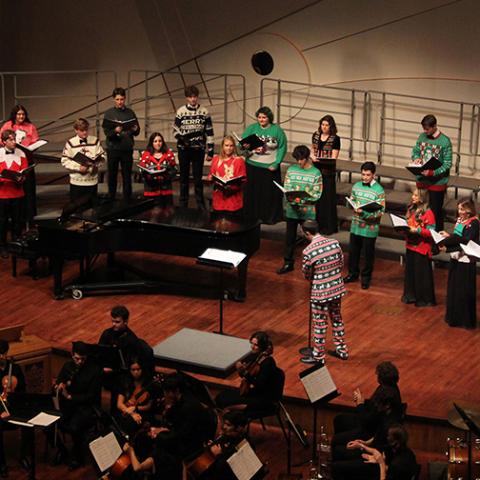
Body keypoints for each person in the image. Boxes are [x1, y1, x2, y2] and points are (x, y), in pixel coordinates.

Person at [300, 220, 348, 365]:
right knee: (337, 318)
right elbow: (341, 263)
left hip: (320, 293)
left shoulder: (308, 251)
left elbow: (306, 273)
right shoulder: (334, 243)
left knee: (320, 323)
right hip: (336, 288)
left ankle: (318, 356)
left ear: (307, 233)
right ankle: (342, 350)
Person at [53, 341, 102, 470]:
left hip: (85, 407)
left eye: (83, 359)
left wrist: (70, 397)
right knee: (49, 425)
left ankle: (78, 456)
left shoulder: (95, 371)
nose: (79, 362)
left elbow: (91, 396)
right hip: (67, 406)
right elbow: (59, 380)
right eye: (77, 358)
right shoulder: (67, 366)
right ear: (72, 355)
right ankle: (62, 450)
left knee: (74, 427)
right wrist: (59, 386)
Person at [277, 145, 322, 274]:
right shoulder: (291, 170)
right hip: (292, 210)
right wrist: (291, 198)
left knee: (311, 239)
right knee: (289, 238)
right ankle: (288, 263)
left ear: (307, 158)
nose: (299, 162)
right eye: (297, 159)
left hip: (307, 212)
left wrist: (301, 200)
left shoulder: (315, 173)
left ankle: (312, 265)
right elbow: (287, 187)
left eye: (301, 159)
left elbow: (317, 194)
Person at [215, 331, 283, 417]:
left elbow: (260, 384)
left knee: (225, 401)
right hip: (255, 393)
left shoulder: (268, 362)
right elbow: (250, 375)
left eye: (256, 345)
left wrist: (245, 373)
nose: (252, 347)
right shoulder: (256, 356)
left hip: (264, 398)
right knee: (221, 396)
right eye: (252, 344)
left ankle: (232, 424)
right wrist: (241, 372)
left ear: (262, 346)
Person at [241, 106, 287, 224]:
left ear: (269, 118)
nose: (261, 119)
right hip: (252, 166)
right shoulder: (251, 128)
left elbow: (282, 147)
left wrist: (277, 163)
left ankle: (269, 217)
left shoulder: (277, 130)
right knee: (252, 193)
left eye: (264, 117)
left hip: (269, 168)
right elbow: (241, 145)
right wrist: (244, 147)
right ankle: (251, 216)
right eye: (259, 117)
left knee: (268, 195)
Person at [344, 161, 385, 289]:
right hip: (356, 225)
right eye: (363, 174)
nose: (365, 177)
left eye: (368, 175)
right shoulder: (356, 186)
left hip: (369, 228)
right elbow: (352, 201)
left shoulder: (379, 190)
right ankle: (353, 274)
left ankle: (366, 278)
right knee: (353, 252)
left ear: (374, 175)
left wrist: (365, 214)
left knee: (368, 254)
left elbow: (381, 211)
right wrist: (350, 204)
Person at [440, 198, 480, 329]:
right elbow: (456, 236)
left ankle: (465, 320)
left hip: (466, 260)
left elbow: (465, 241)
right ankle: (453, 317)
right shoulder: (460, 220)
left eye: (462, 209)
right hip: (456, 258)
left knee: (464, 290)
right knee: (454, 288)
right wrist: (448, 236)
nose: (460, 212)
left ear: (469, 210)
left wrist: (448, 248)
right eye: (459, 209)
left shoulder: (474, 223)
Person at [174, 85, 214, 209]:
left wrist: (211, 150)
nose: (193, 99)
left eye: (195, 97)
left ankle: (200, 203)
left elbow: (209, 131)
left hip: (198, 149)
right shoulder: (181, 111)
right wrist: (183, 139)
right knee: (184, 177)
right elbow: (175, 131)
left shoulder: (204, 111)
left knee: (198, 178)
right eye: (190, 97)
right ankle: (183, 203)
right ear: (187, 98)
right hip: (184, 149)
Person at [412, 114, 452, 231]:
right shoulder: (422, 137)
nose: (425, 131)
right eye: (423, 128)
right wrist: (416, 158)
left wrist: (433, 173)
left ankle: (436, 241)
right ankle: (419, 234)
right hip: (422, 179)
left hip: (437, 182)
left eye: (427, 129)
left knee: (435, 212)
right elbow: (415, 151)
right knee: (419, 208)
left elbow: (447, 164)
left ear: (434, 126)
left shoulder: (445, 141)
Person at [333, 424, 417, 480]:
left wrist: (381, 463)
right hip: (386, 469)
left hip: (383, 474)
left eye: (388, 436)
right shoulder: (398, 447)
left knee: (340, 468)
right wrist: (361, 445)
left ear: (395, 441)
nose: (386, 437)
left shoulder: (399, 463)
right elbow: (376, 451)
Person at [0, 105, 39, 223]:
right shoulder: (8, 125)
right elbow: (2, 140)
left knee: (28, 186)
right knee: (12, 183)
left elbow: (35, 141)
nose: (21, 116)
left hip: (26, 157)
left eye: (23, 114)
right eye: (18, 114)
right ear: (14, 115)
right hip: (11, 157)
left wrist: (31, 148)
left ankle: (28, 214)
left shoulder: (30, 126)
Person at [102, 87, 140, 200]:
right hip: (113, 148)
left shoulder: (130, 112)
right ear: (113, 99)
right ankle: (111, 197)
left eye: (122, 99)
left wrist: (135, 129)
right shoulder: (109, 113)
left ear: (125, 99)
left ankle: (127, 198)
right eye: (117, 99)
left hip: (127, 148)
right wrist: (115, 131)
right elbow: (107, 133)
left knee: (127, 176)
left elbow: (137, 131)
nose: (120, 102)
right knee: (112, 175)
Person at [401, 188, 436, 307]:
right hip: (411, 245)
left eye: (416, 195)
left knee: (421, 274)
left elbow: (431, 232)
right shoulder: (411, 209)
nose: (413, 197)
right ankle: (411, 295)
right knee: (411, 272)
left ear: (422, 198)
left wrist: (418, 230)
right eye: (413, 195)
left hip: (422, 247)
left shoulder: (429, 213)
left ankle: (423, 299)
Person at [0, 339, 29, 478]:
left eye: (2, 354)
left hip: (15, 406)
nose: (0, 357)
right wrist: (1, 411)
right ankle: (1, 464)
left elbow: (23, 390)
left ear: (6, 353)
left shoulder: (15, 368)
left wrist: (15, 398)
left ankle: (24, 456)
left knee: (28, 424)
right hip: (0, 410)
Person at [61, 118, 105, 205]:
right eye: (82, 130)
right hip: (77, 181)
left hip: (92, 180)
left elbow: (103, 156)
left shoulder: (95, 141)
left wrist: (97, 163)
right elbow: (64, 161)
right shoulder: (70, 143)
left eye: (86, 130)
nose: (85, 132)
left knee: (91, 208)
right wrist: (78, 167)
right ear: (76, 130)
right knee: (77, 207)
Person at [0, 130, 29, 257]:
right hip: (3, 194)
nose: (13, 142)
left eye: (14, 139)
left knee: (18, 221)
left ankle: (16, 246)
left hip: (18, 193)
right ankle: (2, 246)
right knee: (2, 222)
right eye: (11, 140)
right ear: (4, 141)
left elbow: (25, 171)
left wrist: (22, 178)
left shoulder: (21, 153)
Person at [311, 114, 340, 234]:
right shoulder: (316, 135)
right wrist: (312, 157)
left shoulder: (335, 138)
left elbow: (334, 158)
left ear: (331, 126)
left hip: (328, 173)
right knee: (318, 199)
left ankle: (329, 227)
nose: (324, 127)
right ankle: (318, 225)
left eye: (327, 125)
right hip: (317, 171)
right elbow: (312, 150)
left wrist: (321, 160)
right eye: (322, 124)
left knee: (328, 200)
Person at [209, 135, 246, 218]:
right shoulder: (216, 159)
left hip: (233, 199)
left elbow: (243, 180)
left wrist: (231, 187)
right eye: (226, 145)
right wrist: (210, 178)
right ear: (222, 146)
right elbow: (211, 174)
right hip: (219, 198)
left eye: (231, 146)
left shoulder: (239, 161)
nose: (229, 148)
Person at [116, 358, 153, 438]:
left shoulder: (149, 384)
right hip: (127, 410)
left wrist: (136, 408)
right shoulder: (125, 382)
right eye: (133, 370)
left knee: (131, 422)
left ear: (142, 369)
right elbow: (119, 404)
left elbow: (148, 406)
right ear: (129, 370)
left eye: (138, 369)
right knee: (126, 420)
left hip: (142, 412)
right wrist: (131, 412)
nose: (136, 372)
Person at [138, 132, 176, 206]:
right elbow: (141, 170)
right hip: (151, 189)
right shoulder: (146, 154)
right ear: (151, 143)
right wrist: (148, 175)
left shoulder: (168, 154)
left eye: (160, 141)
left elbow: (174, 169)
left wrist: (167, 175)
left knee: (167, 213)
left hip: (165, 189)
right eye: (155, 141)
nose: (158, 143)